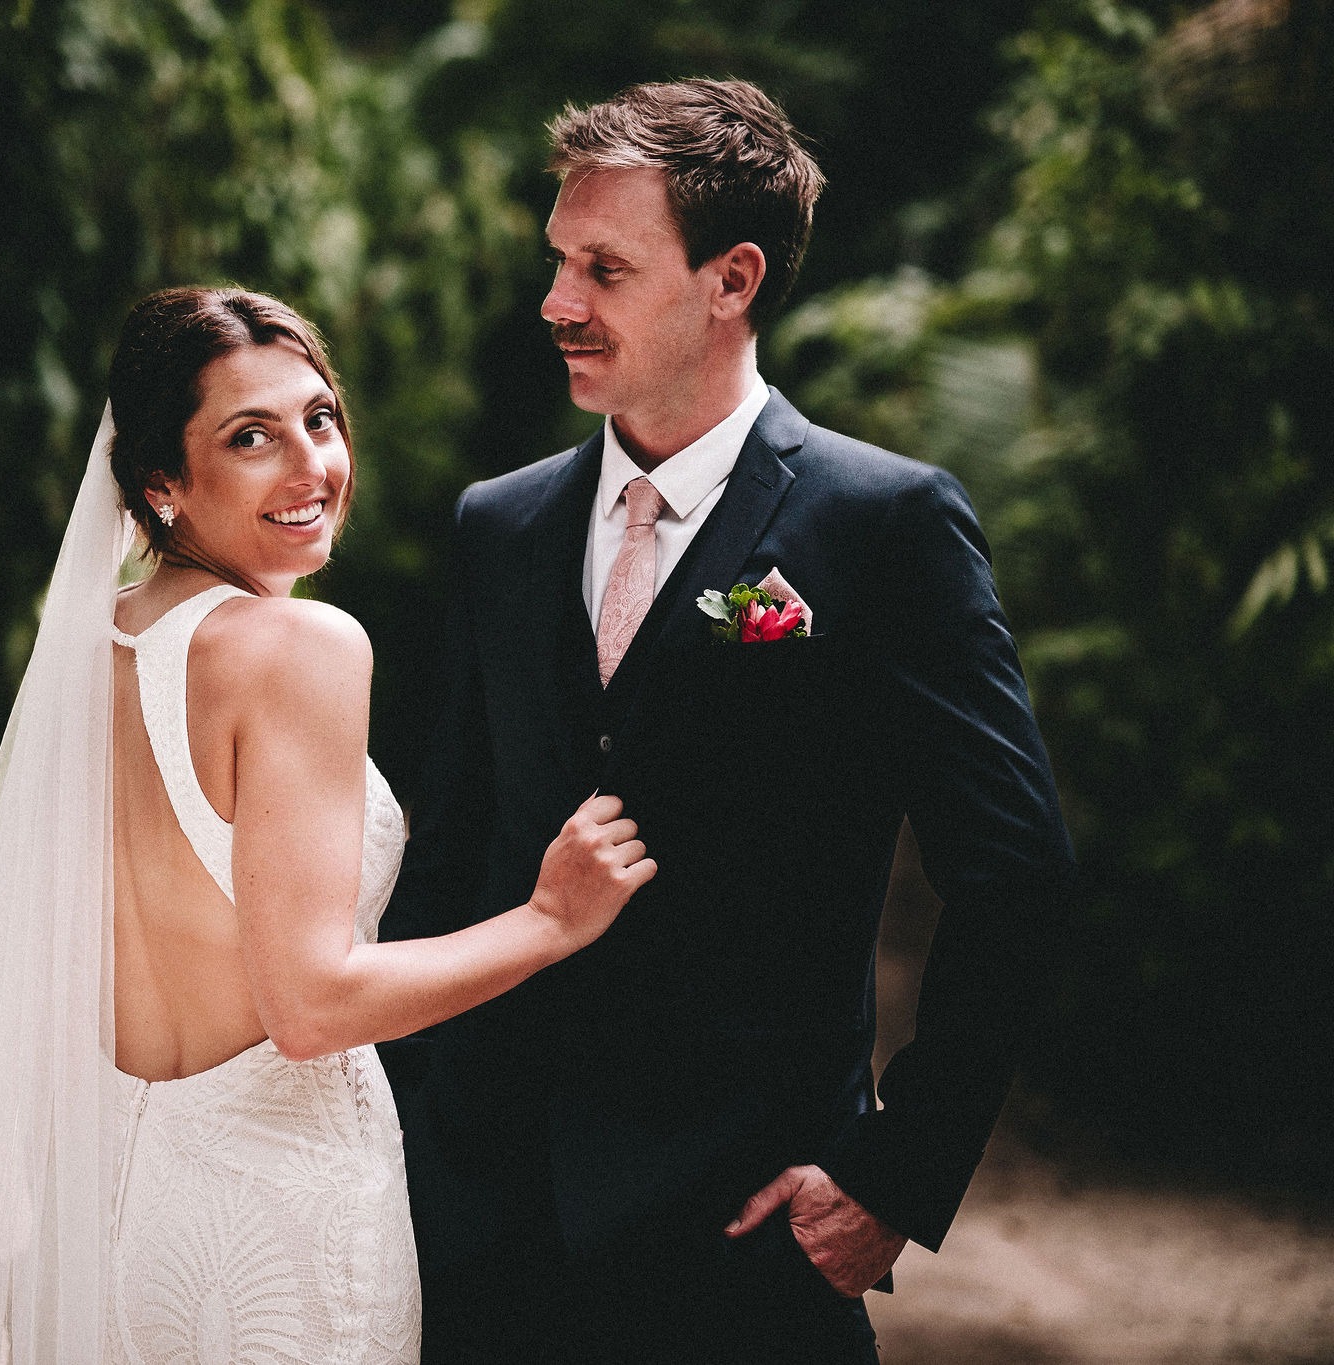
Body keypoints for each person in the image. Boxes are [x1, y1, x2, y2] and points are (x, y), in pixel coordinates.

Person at [378, 79, 1077, 1363]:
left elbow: (1013, 874)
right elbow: (450, 856)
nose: (556, 303)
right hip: (485, 1223)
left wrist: (892, 1175)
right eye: (557, 262)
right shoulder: (498, 525)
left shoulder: (884, 526)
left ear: (731, 279)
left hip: (744, 1234)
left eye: (603, 269)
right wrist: (401, 1129)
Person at [0, 286, 656, 1365]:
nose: (310, 465)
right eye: (250, 437)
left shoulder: (93, 649)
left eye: (318, 419)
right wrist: (549, 921)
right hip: (279, 1224)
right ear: (161, 483)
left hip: (115, 1214)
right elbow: (312, 1005)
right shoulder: (300, 649)